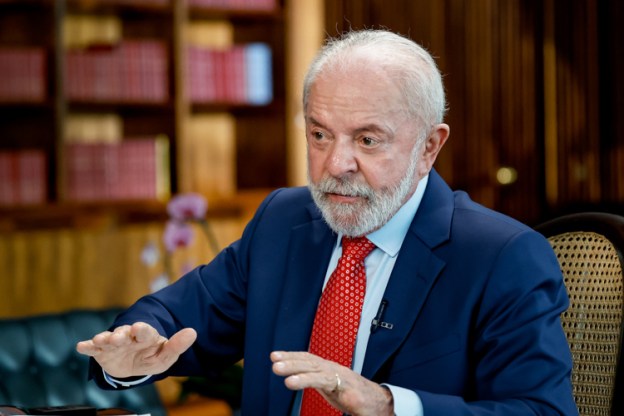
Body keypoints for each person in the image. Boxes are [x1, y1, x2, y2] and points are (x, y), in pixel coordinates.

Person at [77, 29, 577, 416]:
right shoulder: (284, 220)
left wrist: (389, 405)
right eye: (320, 135)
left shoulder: (501, 255)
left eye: (367, 140)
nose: (336, 164)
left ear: (429, 146)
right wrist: (133, 352)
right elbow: (178, 317)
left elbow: (541, 411)